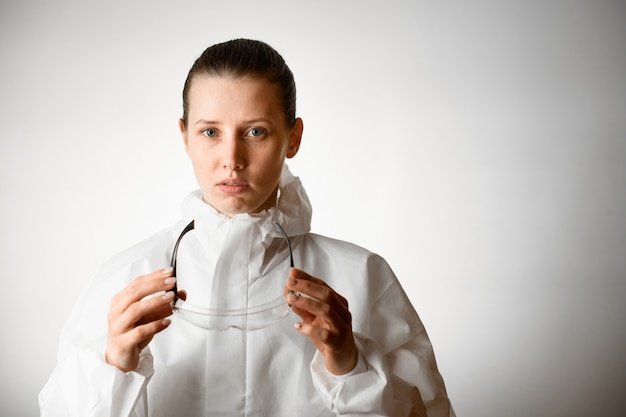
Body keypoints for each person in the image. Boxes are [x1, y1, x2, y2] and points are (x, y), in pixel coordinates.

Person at [39, 38, 455, 417]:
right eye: (210, 132)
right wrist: (115, 366)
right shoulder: (124, 282)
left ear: (292, 137)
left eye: (255, 131)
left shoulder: (363, 278)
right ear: (185, 137)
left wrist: (350, 365)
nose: (232, 158)